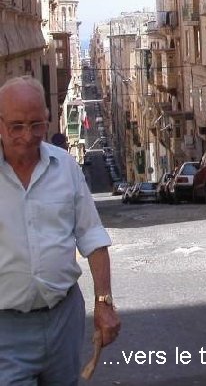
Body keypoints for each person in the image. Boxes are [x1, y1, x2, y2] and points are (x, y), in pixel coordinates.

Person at [0, 76, 121, 385]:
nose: (28, 136)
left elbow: (92, 236)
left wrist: (104, 302)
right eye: (16, 126)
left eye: (36, 124)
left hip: (63, 321)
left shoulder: (65, 166)